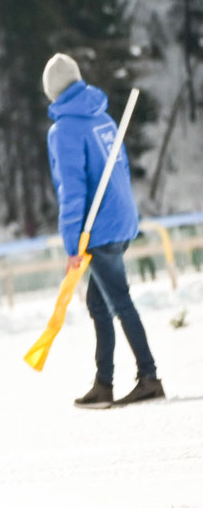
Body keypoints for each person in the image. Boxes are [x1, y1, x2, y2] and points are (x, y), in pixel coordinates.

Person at [43, 54, 163, 408]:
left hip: (100, 229)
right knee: (99, 302)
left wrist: (72, 245)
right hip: (121, 221)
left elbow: (72, 190)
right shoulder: (103, 118)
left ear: (51, 91)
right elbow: (120, 172)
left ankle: (149, 376)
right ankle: (104, 382)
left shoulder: (65, 129)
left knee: (120, 302)